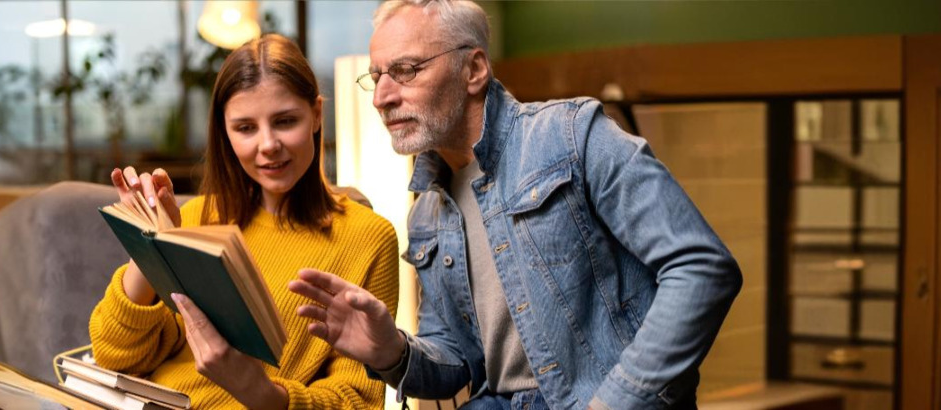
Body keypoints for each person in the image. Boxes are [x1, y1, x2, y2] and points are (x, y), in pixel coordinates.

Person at [288, 1, 742, 409]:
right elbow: (457, 361)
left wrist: (616, 402)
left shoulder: (573, 136)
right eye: (377, 76)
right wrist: (391, 350)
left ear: (474, 70)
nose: (382, 97)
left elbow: (702, 268)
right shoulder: (427, 210)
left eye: (406, 70)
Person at [88, 33, 400, 409]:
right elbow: (114, 355)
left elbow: (360, 401)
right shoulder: (194, 218)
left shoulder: (367, 238)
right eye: (245, 128)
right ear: (225, 130)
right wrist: (148, 242)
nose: (267, 145)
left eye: (285, 121)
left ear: (317, 114)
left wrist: (259, 392)